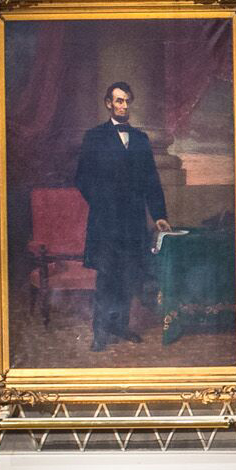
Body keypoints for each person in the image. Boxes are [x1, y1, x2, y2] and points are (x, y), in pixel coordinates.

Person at [71, 79, 170, 352]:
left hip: (133, 223)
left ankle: (122, 326)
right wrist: (103, 202)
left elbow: (151, 179)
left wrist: (159, 214)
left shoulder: (140, 139)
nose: (123, 105)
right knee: (106, 278)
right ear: (108, 104)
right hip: (105, 223)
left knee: (128, 276)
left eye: (127, 101)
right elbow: (82, 178)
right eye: (118, 100)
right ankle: (100, 333)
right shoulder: (94, 137)